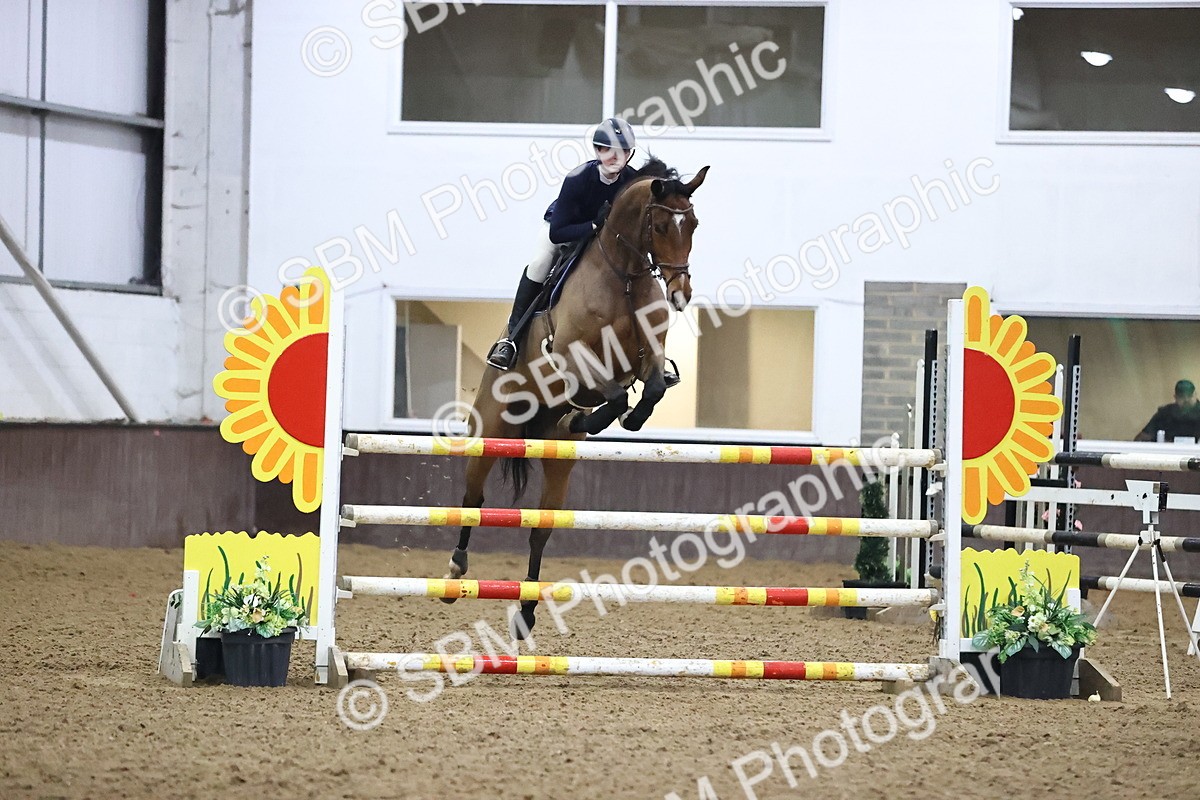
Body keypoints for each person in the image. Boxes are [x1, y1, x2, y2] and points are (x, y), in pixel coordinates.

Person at [485, 117, 641, 371]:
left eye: (622, 151)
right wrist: (593, 226)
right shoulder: (578, 178)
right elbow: (558, 232)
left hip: (603, 240)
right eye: (608, 150)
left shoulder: (632, 181)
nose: (615, 157)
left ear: (629, 154)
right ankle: (510, 340)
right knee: (538, 264)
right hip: (565, 229)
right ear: (598, 151)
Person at [1136, 379, 1200, 442]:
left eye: (1190, 396)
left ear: (1195, 394)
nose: (1186, 400)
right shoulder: (1165, 413)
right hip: (1170, 451)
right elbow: (1142, 437)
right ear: (1175, 397)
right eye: (1182, 396)